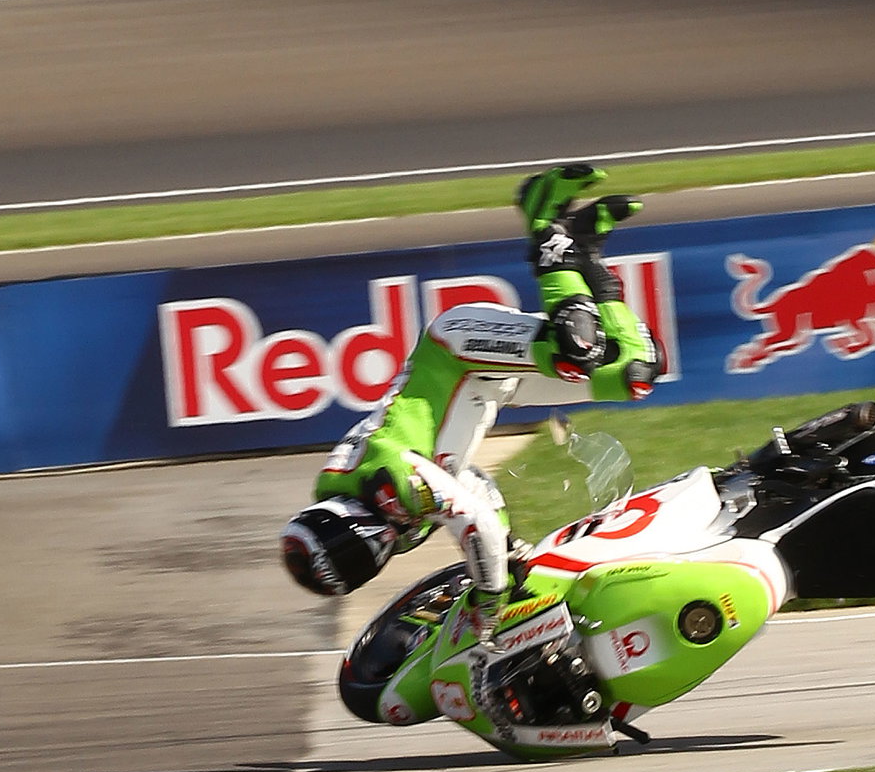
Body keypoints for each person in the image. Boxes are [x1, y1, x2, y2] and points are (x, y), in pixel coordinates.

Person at [279, 162, 658, 627]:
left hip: (455, 350)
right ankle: (586, 249)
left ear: (342, 518)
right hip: (491, 388)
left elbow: (472, 520)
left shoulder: (388, 479)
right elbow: (472, 484)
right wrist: (514, 554)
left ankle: (542, 217)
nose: (383, 545)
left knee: (575, 347)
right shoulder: (385, 511)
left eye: (365, 545)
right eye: (368, 561)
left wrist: (489, 600)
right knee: (634, 371)